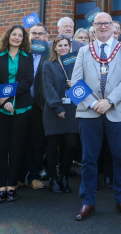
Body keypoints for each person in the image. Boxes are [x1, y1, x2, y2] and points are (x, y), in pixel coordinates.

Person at [71, 12, 121, 221]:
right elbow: (75, 83)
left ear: (112, 26)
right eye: (98, 24)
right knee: (89, 159)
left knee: (120, 158)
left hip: (117, 112)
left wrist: (109, 101)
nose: (102, 27)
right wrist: (93, 103)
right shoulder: (83, 51)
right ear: (93, 28)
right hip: (89, 113)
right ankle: (87, 201)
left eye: (106, 23)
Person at [0, 24, 34, 203]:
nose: (17, 37)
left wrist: (9, 94)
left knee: (17, 147)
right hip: (1, 107)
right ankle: (1, 186)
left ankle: (11, 185)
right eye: (14, 34)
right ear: (8, 36)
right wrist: (4, 100)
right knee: (1, 147)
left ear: (24, 39)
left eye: (20, 35)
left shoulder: (27, 56)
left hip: (22, 107)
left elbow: (28, 80)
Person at [42, 36, 78, 194]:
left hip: (72, 110)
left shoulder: (75, 64)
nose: (63, 48)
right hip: (53, 111)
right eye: (60, 45)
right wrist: (57, 108)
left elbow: (83, 87)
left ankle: (64, 176)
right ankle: (52, 179)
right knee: (52, 147)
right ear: (54, 48)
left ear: (70, 47)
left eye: (66, 45)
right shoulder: (48, 65)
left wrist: (75, 84)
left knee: (70, 145)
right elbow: (47, 88)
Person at [19, 23, 50, 190]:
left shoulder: (50, 56)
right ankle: (19, 177)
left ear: (46, 36)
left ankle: (34, 176)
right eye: (34, 34)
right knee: (20, 142)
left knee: (37, 142)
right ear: (29, 37)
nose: (37, 36)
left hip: (40, 106)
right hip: (22, 104)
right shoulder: (22, 55)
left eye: (40, 34)